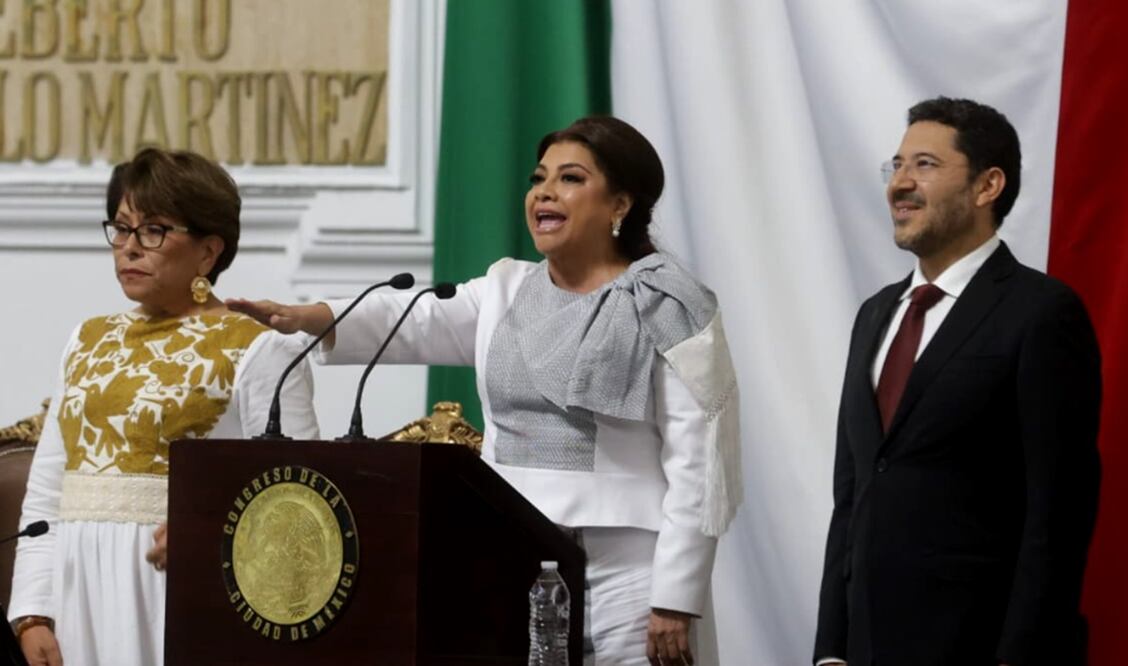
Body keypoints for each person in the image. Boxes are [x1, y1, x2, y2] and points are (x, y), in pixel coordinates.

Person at [230, 116, 742, 665]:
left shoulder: (666, 300)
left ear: (620, 203)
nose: (544, 192)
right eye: (538, 178)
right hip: (510, 551)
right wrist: (308, 316)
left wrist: (676, 595)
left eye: (570, 178)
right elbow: (412, 319)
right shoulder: (505, 289)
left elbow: (699, 460)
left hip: (631, 569)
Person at [814, 97, 1101, 666]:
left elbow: (1058, 513)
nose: (899, 183)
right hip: (868, 646)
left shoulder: (1042, 312)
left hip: (981, 645)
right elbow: (852, 496)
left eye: (924, 164)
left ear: (987, 185)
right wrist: (831, 649)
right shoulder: (875, 314)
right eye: (896, 165)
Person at [9, 148, 319, 666]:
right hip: (76, 592)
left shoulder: (261, 346)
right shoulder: (87, 339)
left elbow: (301, 495)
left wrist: (215, 530)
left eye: (153, 230)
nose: (129, 247)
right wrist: (33, 613)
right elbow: (46, 494)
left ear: (208, 252)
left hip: (186, 588)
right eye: (121, 228)